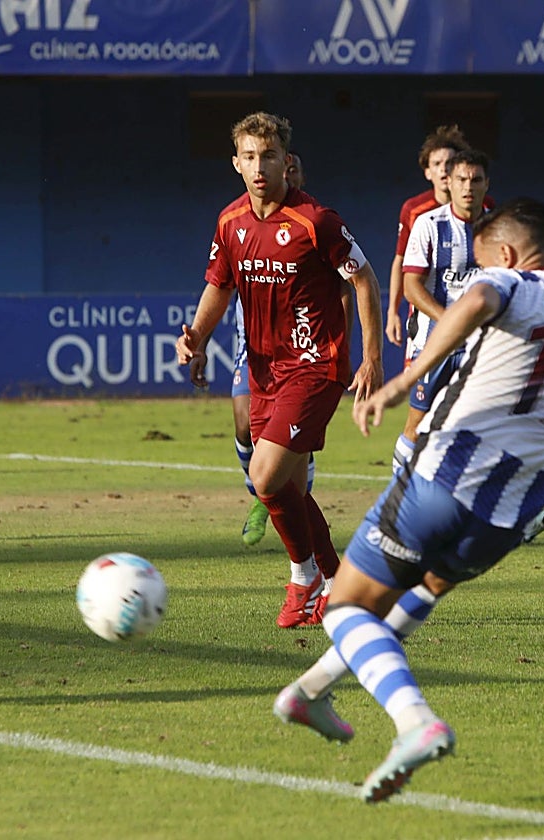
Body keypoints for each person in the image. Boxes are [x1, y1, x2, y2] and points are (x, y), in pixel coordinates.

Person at [273, 197, 544, 803]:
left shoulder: (506, 282)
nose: (477, 275)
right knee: (424, 589)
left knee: (344, 609)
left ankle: (414, 723)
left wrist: (401, 380)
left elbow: (474, 300)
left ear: (506, 254)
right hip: (511, 515)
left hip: (443, 479)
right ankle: (308, 692)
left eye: (479, 263)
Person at [177, 112, 384, 629]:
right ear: (236, 163)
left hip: (316, 365)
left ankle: (303, 578)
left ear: (287, 162)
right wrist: (196, 339)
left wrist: (373, 358)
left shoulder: (317, 220)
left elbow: (365, 281)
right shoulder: (230, 223)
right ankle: (338, 585)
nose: (259, 166)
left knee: (265, 477)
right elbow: (219, 286)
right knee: (290, 491)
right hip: (263, 369)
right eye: (249, 156)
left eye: (268, 156)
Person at [397, 149, 544, 544]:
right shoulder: (428, 225)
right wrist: (452, 323)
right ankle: (402, 508)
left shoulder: (501, 231)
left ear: (488, 184)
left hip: (486, 348)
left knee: (504, 426)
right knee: (418, 429)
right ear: (446, 183)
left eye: (477, 180)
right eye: (462, 180)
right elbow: (411, 286)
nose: (469, 187)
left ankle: (518, 514)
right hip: (435, 344)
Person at [384, 125, 470, 351]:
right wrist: (393, 310)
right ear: (427, 172)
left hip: (469, 313)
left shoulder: (484, 208)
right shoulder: (415, 210)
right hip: (426, 316)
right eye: (437, 164)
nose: (444, 169)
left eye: (450, 163)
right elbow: (400, 260)